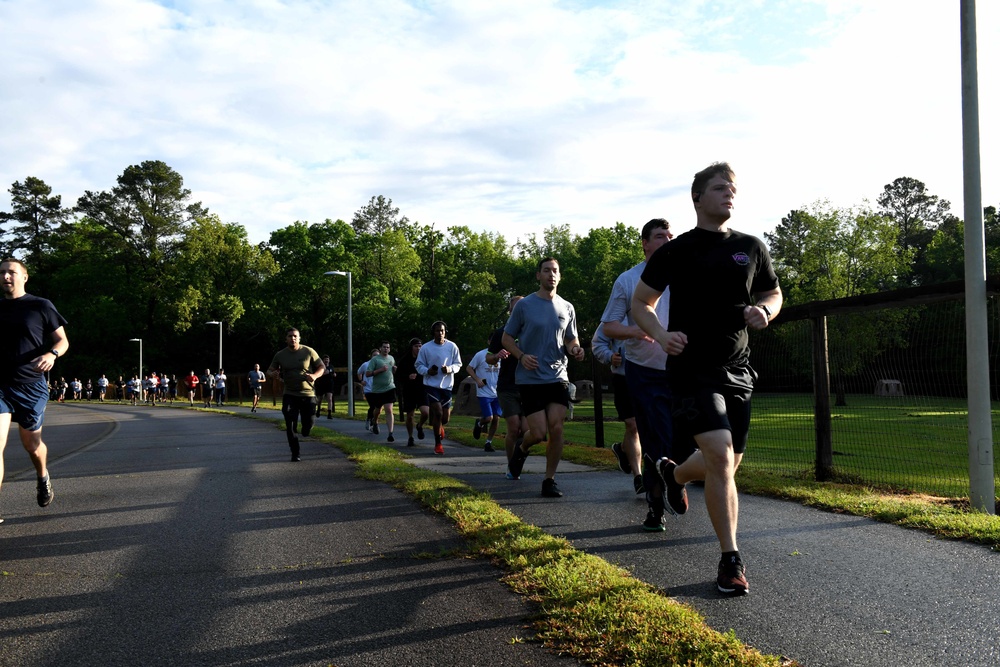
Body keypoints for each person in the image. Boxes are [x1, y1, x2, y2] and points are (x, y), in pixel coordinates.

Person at [632, 162, 782, 595]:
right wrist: (660, 334)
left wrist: (765, 310)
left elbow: (773, 291)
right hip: (691, 368)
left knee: (729, 463)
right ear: (697, 198)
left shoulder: (751, 247)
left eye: (732, 189)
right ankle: (730, 560)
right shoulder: (675, 251)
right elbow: (642, 303)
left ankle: (672, 476)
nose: (729, 194)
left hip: (738, 369)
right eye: (719, 188)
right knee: (719, 455)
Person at [600, 218, 674, 531]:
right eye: (660, 236)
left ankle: (677, 480)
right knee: (654, 440)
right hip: (643, 372)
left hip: (683, 368)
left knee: (683, 441)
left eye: (671, 235)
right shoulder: (628, 280)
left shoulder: (685, 277)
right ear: (645, 243)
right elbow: (608, 326)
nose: (668, 240)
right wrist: (637, 329)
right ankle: (655, 507)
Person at [503, 258, 586, 498]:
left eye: (555, 271)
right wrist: (520, 356)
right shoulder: (524, 305)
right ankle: (523, 447)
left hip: (558, 375)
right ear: (538, 275)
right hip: (530, 378)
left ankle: (549, 480)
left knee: (557, 428)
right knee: (538, 433)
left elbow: (571, 339)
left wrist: (575, 349)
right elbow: (507, 338)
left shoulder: (567, 307)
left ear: (559, 276)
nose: (552, 274)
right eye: (547, 270)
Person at [0, 258, 68, 516]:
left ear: (24, 277)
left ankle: (42, 477)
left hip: (30, 386)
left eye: (11, 272)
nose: (6, 276)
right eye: (2, 272)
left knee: (32, 445)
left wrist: (52, 355)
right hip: (1, 386)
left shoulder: (40, 306)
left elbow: (62, 341)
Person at [590, 323, 644, 495]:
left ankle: (622, 449)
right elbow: (598, 344)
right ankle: (639, 477)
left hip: (650, 376)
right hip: (623, 377)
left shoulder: (657, 308)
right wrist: (610, 356)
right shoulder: (616, 315)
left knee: (647, 425)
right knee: (633, 425)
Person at [267, 327, 325, 461]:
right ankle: (295, 453)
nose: (292, 338)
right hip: (290, 394)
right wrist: (273, 374)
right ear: (286, 339)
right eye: (289, 336)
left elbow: (322, 366)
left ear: (299, 338)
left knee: (308, 424)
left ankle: (306, 428)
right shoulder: (280, 355)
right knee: (290, 424)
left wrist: (315, 376)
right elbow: (269, 371)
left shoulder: (308, 351)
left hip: (308, 394)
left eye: (295, 336)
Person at [486, 296, 527, 479]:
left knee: (527, 430)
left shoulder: (532, 331)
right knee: (514, 427)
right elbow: (488, 358)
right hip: (507, 387)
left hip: (529, 386)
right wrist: (497, 356)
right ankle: (512, 466)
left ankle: (519, 457)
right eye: (516, 307)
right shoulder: (501, 333)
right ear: (511, 311)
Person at [414, 321, 462, 455]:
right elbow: (418, 365)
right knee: (438, 413)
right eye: (437, 331)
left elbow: (458, 364)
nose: (440, 333)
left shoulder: (452, 346)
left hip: (447, 386)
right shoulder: (426, 348)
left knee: (445, 418)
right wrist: (427, 371)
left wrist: (449, 369)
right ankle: (438, 444)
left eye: (442, 331)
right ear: (433, 332)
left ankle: (437, 427)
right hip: (431, 385)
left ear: (445, 332)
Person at [466, 341, 501, 452]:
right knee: (488, 418)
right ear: (489, 341)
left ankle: (488, 443)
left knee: (496, 418)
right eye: (493, 340)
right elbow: (469, 368)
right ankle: (480, 423)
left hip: (498, 392)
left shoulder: (504, 354)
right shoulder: (481, 354)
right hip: (484, 391)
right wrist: (477, 379)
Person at [396, 338, 428, 447]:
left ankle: (420, 425)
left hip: (422, 389)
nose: (418, 348)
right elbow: (398, 376)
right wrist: (408, 376)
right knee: (410, 416)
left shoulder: (425, 359)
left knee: (425, 412)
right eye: (416, 346)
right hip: (409, 390)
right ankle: (410, 437)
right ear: (411, 347)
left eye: (420, 346)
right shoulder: (405, 360)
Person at [366, 341, 397, 442]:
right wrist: (379, 370)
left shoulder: (391, 358)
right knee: (378, 410)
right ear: (380, 348)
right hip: (377, 390)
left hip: (390, 387)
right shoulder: (375, 360)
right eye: (384, 347)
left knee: (389, 409)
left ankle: (390, 433)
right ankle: (375, 421)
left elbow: (391, 372)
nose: (386, 349)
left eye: (388, 347)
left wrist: (395, 370)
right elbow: (368, 374)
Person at [358, 349, 378, 432]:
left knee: (377, 407)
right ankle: (370, 421)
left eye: (377, 355)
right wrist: (361, 381)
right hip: (368, 389)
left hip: (378, 389)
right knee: (372, 406)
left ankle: (372, 421)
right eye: (374, 355)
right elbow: (359, 372)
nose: (375, 357)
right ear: (371, 356)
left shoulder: (380, 364)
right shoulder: (365, 364)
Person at [314, 355, 336, 419]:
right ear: (323, 360)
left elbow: (333, 373)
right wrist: (325, 373)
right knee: (320, 399)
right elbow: (320, 374)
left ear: (329, 360)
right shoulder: (320, 367)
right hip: (321, 385)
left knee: (330, 398)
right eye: (325, 359)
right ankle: (318, 409)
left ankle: (329, 414)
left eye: (327, 359)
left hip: (329, 385)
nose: (326, 361)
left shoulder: (331, 367)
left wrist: (333, 374)